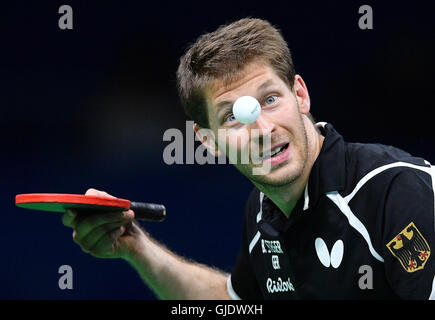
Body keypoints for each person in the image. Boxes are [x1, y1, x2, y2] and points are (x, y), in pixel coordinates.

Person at [62, 18, 434, 299]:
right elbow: (231, 303)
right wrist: (136, 247)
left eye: (270, 99)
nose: (261, 128)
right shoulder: (263, 214)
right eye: (233, 117)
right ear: (208, 141)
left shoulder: (395, 192)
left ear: (300, 95)